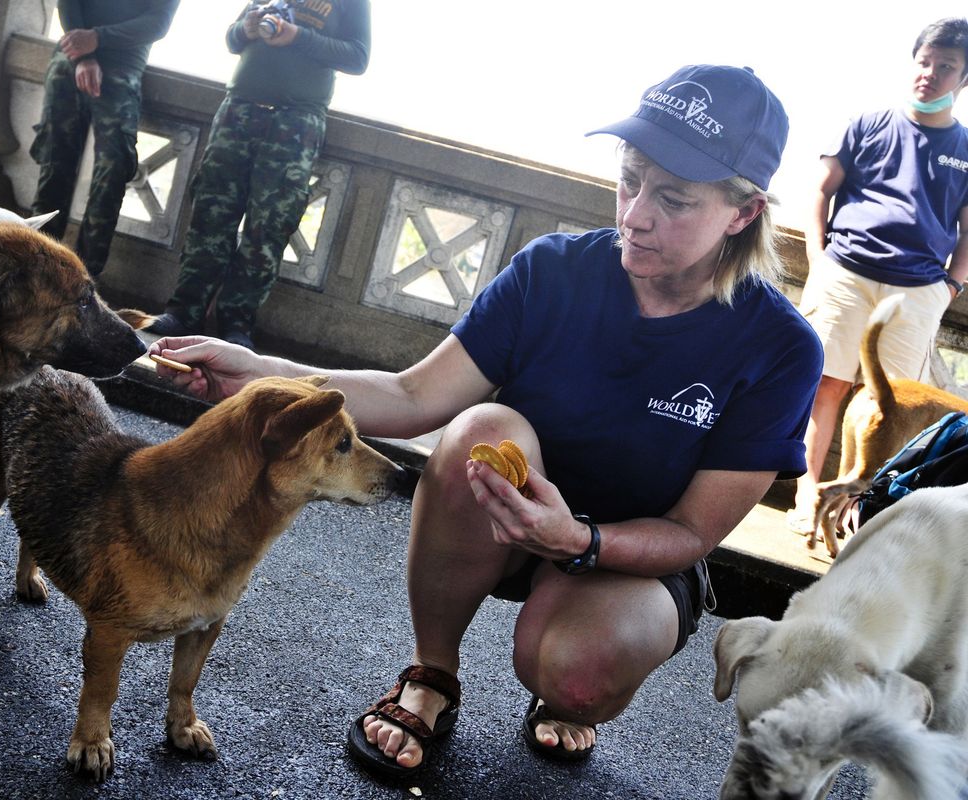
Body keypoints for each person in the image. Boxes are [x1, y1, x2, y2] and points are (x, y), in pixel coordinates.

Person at [148, 64, 822, 775]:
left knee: (575, 675)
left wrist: (577, 539)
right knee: (479, 428)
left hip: (627, 557)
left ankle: (559, 688)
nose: (634, 214)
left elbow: (690, 533)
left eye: (675, 200)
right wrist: (261, 374)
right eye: (631, 179)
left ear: (742, 214)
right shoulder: (553, 270)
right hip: (496, 516)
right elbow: (413, 399)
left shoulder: (780, 348)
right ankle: (431, 672)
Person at [788, 17, 968, 534]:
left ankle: (846, 509)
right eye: (924, 62)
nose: (930, 75)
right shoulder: (866, 123)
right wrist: (818, 256)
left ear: (961, 79)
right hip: (846, 269)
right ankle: (806, 494)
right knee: (823, 385)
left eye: (946, 67)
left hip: (918, 287)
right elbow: (821, 189)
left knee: (888, 401)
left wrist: (951, 285)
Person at [146, 0, 371, 350]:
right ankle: (184, 311)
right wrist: (247, 29)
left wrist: (297, 36)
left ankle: (236, 322)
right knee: (211, 212)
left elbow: (357, 57)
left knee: (268, 226)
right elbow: (233, 40)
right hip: (239, 109)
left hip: (296, 120)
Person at [29, 0, 180, 277]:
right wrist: (83, 56)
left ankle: (83, 281)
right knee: (54, 171)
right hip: (69, 63)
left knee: (110, 178)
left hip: (122, 72)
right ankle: (35, 269)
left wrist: (97, 38)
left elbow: (158, 23)